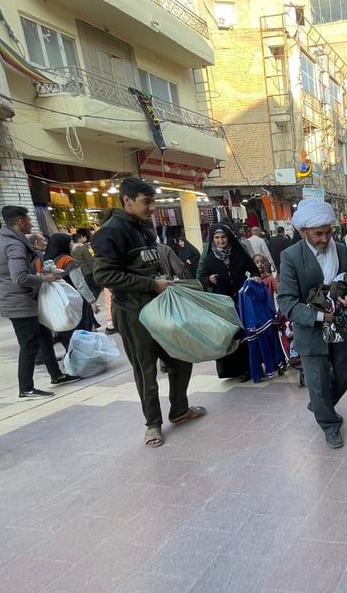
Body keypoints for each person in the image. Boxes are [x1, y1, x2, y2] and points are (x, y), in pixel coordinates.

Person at [92, 178, 206, 447]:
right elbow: (104, 275)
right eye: (146, 202)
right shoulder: (112, 232)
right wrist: (150, 284)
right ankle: (152, 425)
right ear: (127, 200)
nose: (152, 207)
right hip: (133, 312)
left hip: (159, 307)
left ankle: (179, 409)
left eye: (153, 201)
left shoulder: (144, 228)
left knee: (181, 357)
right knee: (146, 370)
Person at [277, 199, 347, 449]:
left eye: (328, 232)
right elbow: (286, 300)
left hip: (340, 328)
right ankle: (329, 424)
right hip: (311, 331)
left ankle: (320, 404)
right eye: (318, 233)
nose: (325, 238)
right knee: (317, 384)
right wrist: (319, 316)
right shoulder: (291, 256)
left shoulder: (339, 250)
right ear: (303, 231)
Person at [0, 206, 80, 400]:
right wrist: (44, 279)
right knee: (29, 345)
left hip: (20, 299)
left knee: (44, 338)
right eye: (29, 220)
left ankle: (56, 375)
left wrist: (42, 275)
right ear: (21, 222)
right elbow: (19, 277)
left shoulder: (2, 239)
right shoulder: (14, 244)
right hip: (19, 302)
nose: (31, 223)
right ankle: (26, 388)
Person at [198, 223, 259, 381]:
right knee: (230, 336)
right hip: (223, 304)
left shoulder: (239, 254)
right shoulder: (210, 258)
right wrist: (209, 280)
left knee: (245, 335)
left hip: (242, 302)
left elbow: (254, 269)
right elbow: (202, 277)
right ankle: (233, 370)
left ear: (229, 237)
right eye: (217, 238)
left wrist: (254, 277)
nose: (220, 241)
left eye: (223, 237)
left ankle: (248, 368)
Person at [39, 232, 99, 346]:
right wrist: (91, 300)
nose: (71, 245)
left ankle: (71, 358)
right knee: (82, 331)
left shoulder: (44, 261)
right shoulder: (68, 260)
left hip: (56, 302)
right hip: (74, 300)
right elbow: (79, 283)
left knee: (66, 335)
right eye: (69, 242)